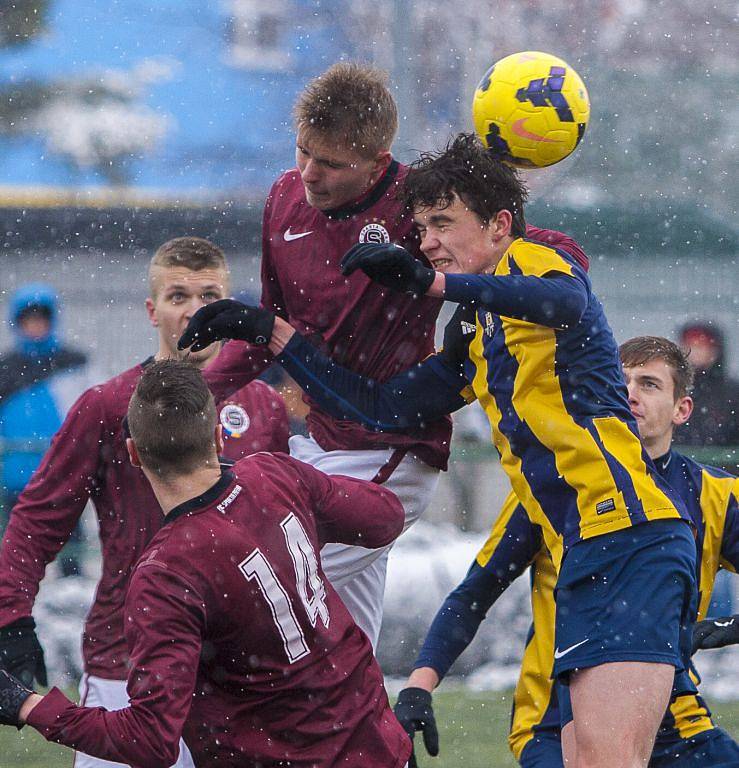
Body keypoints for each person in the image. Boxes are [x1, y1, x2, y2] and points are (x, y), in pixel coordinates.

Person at [182, 134, 698, 768]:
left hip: (633, 539)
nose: (425, 239)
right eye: (422, 226)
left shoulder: (539, 259)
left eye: (443, 223)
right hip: (585, 554)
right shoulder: (475, 329)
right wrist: (269, 331)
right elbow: (379, 407)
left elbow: (565, 302)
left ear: (500, 224)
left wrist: (434, 283)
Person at [184, 63, 586, 648]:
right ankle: (367, 734)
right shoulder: (282, 198)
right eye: (302, 153)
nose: (309, 174)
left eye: (330, 163)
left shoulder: (420, 205)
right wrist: (193, 396)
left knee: (254, 588)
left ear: (378, 161)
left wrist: (433, 283)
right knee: (342, 648)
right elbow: (274, 326)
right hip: (323, 436)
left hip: (390, 450)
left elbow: (546, 253)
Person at [0, 359, 411, 768]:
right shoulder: (272, 475)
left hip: (288, 755)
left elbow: (150, 740)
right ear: (218, 437)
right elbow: (386, 516)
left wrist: (27, 706)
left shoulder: (165, 573)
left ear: (134, 454)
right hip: (379, 744)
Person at [0, 237, 289, 768]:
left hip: (242, 673)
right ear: (152, 310)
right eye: (179, 296)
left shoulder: (265, 406)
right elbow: (37, 522)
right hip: (126, 663)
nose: (195, 311)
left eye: (210, 296)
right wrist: (11, 618)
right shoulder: (108, 404)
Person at [392, 336, 739, 768]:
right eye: (620, 380)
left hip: (675, 719)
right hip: (556, 723)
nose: (629, 392)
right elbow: (474, 593)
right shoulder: (555, 485)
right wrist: (418, 687)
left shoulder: (718, 496)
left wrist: (728, 626)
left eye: (649, 384)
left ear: (682, 409)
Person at [0, 284, 89, 576]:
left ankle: (71, 594)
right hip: (16, 476)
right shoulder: (6, 368)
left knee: (71, 547)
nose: (35, 325)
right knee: (17, 553)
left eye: (41, 318)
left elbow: (88, 413)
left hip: (63, 473)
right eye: (28, 319)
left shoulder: (74, 362)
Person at [674, 321, 739, 448]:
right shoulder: (671, 389)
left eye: (701, 346)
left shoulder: (733, 393)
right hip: (676, 465)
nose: (695, 352)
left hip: (723, 466)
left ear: (715, 351)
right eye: (690, 346)